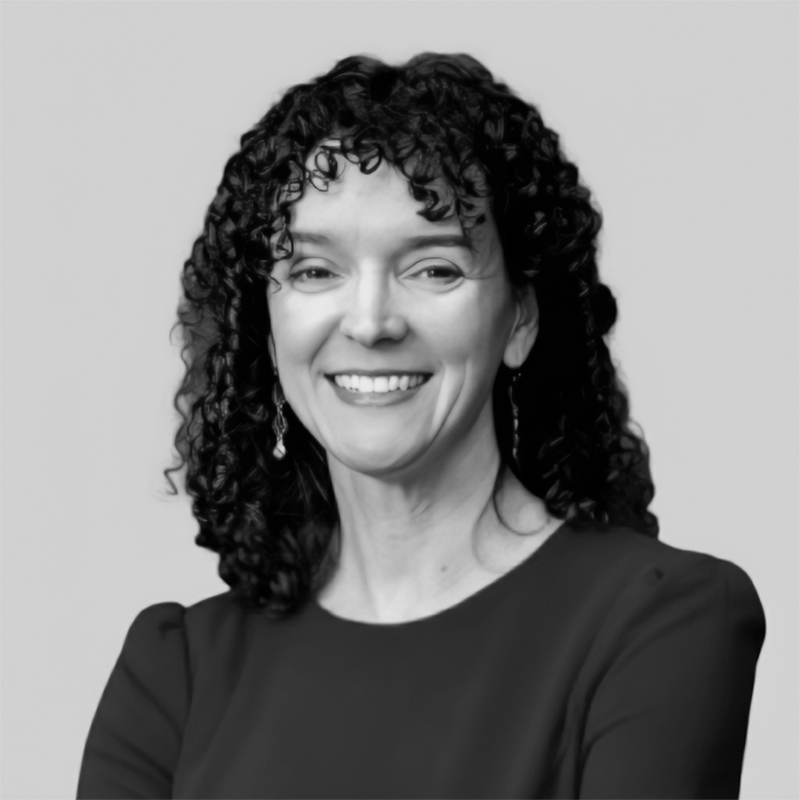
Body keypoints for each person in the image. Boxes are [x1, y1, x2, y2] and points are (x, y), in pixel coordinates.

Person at [76, 53, 765, 799]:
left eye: (434, 268)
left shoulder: (659, 622)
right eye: (314, 271)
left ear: (519, 320)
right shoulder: (175, 675)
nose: (370, 323)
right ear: (267, 330)